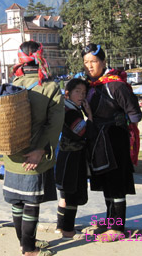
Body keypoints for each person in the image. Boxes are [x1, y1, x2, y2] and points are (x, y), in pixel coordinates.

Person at [4, 41, 64, 256]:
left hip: (12, 156)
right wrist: (40, 149)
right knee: (30, 204)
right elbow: (55, 124)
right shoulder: (50, 87)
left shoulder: (12, 84)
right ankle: (29, 249)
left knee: (17, 203)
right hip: (35, 155)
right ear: (41, 58)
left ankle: (24, 243)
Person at [81, 43, 142, 242]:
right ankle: (109, 222)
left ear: (103, 61)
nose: (89, 66)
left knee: (116, 184)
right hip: (99, 141)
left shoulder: (115, 85)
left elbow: (135, 114)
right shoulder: (91, 85)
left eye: (93, 61)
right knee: (107, 183)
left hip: (115, 141)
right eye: (86, 62)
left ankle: (117, 227)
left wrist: (117, 124)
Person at [55, 78, 93, 239]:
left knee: (65, 194)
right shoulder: (70, 112)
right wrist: (90, 116)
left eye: (84, 93)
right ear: (68, 93)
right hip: (72, 159)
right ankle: (68, 230)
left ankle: (60, 226)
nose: (82, 95)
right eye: (78, 91)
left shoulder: (66, 107)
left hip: (65, 157)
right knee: (72, 195)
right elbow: (83, 132)